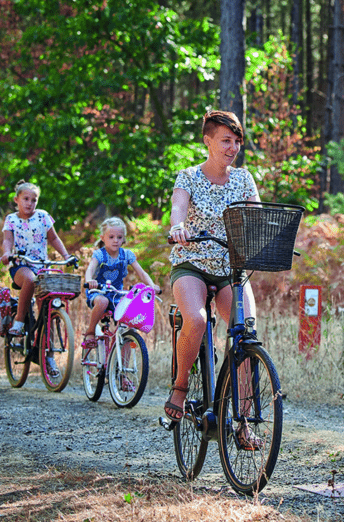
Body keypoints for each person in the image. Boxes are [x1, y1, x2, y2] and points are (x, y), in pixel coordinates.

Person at [164, 110, 261, 436]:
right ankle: (180, 386)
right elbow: (178, 207)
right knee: (197, 319)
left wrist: (264, 236)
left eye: (237, 141)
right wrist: (177, 226)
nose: (232, 147)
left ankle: (243, 420)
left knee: (246, 331)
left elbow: (257, 215)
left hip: (230, 268)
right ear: (208, 141)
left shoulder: (244, 178)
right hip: (192, 263)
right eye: (225, 140)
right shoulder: (188, 176)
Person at [0, 180, 76, 376]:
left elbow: (54, 238)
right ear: (17, 200)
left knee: (49, 309)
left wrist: (67, 257)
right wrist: (7, 253)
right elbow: (7, 240)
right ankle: (18, 322)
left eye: (34, 200)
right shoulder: (11, 220)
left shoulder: (43, 217)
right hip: (20, 266)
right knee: (30, 280)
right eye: (25, 199)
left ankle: (47, 356)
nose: (29, 203)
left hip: (43, 266)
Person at [82, 217, 161, 348]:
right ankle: (90, 332)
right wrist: (90, 280)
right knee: (102, 302)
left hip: (116, 294)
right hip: (98, 292)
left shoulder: (126, 255)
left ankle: (121, 359)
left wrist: (151, 285)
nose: (115, 240)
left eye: (119, 237)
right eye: (111, 237)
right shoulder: (100, 255)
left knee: (129, 322)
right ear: (103, 238)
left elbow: (141, 273)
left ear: (123, 239)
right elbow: (90, 269)